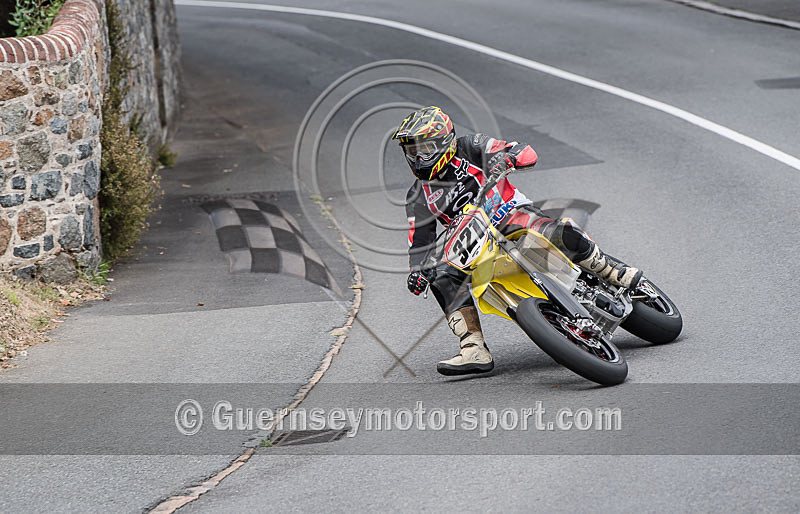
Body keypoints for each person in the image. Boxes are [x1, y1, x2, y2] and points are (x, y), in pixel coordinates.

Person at [395, 106, 643, 376]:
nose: (418, 158)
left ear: (445, 142)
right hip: (475, 244)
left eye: (425, 149)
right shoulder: (417, 196)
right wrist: (418, 271)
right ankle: (473, 347)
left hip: (510, 213)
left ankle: (610, 270)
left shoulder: (471, 146)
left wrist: (509, 158)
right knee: (441, 276)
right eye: (412, 151)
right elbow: (419, 241)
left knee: (556, 232)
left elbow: (524, 151)